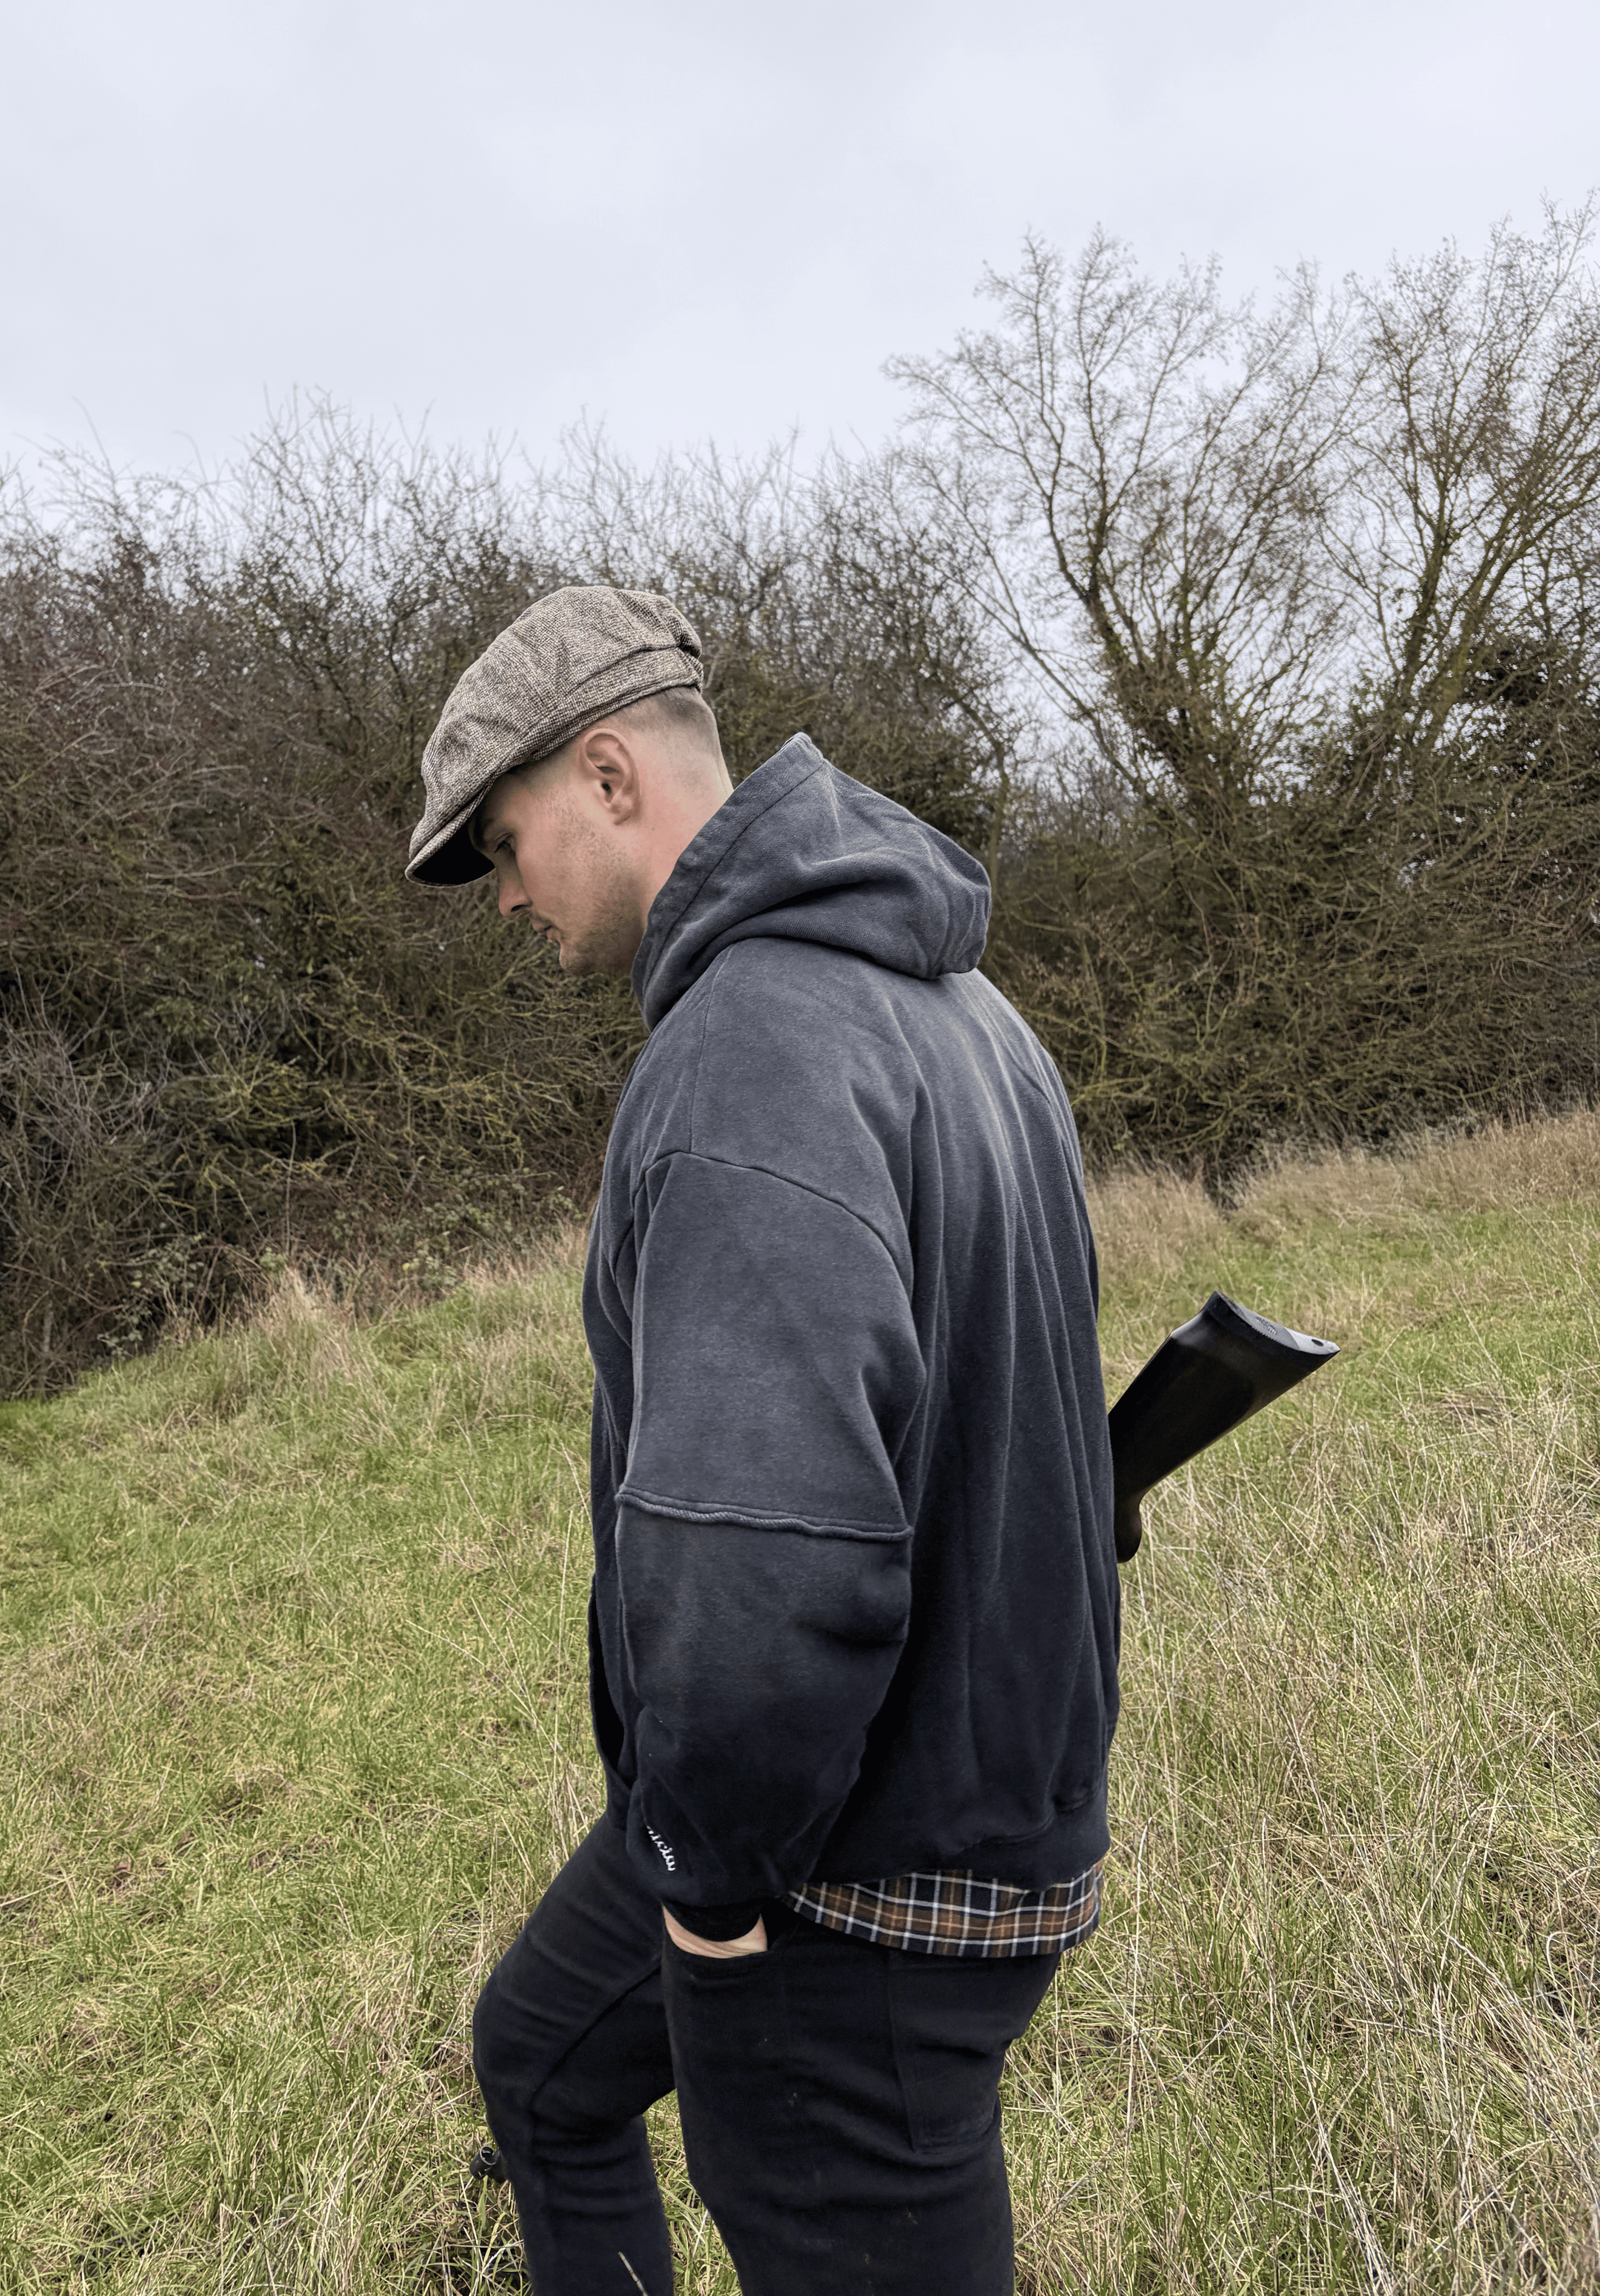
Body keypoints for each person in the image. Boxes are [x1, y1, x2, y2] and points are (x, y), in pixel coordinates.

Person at [406, 586, 1118, 2296]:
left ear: (607, 773)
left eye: (505, 845)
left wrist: (713, 1904)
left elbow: (757, 1569)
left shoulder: (746, 1059)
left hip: (845, 1876)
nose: (504, 896)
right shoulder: (968, 1018)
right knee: (544, 2060)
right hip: (942, 1789)